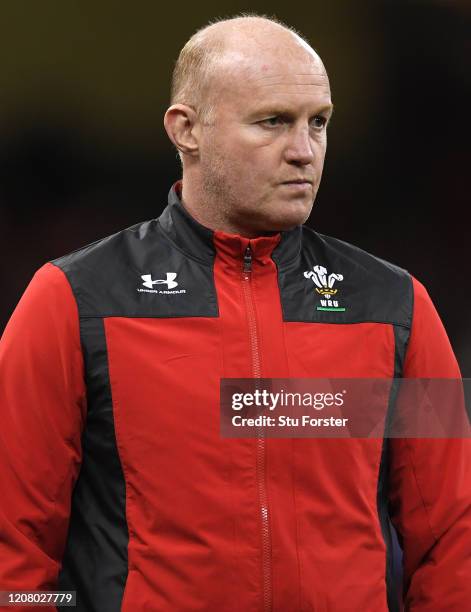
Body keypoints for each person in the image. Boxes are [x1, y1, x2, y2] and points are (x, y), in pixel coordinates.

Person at [0, 14, 470, 612]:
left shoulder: (397, 305)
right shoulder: (73, 299)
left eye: (318, 123)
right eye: (273, 121)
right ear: (186, 130)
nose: (304, 151)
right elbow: (13, 544)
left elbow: (454, 534)